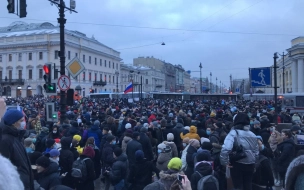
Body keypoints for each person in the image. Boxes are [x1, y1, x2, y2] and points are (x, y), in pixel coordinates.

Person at [220, 112, 259, 190]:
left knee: (238, 186)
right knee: (248, 184)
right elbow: (256, 151)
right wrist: (255, 163)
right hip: (250, 163)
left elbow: (226, 149)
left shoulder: (233, 133)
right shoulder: (253, 134)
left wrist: (224, 162)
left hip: (237, 163)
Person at [0, 109, 34, 190]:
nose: (24, 123)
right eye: (21, 120)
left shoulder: (16, 137)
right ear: (14, 122)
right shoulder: (6, 141)